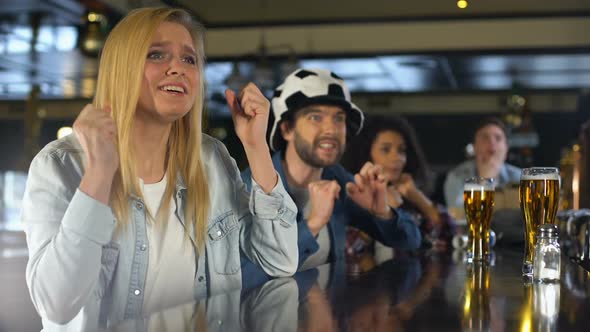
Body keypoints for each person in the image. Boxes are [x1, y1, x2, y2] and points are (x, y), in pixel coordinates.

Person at [21, 7, 298, 328]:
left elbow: (280, 261)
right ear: (122, 68)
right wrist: (98, 175)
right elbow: (55, 305)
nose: (177, 69)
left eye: (189, 59)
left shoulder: (212, 158)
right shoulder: (59, 165)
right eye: (156, 55)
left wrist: (256, 148)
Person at [241, 68, 421, 272]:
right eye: (315, 118)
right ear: (287, 129)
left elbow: (410, 240)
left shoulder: (339, 181)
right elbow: (244, 275)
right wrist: (313, 225)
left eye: (338, 118)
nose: (331, 129)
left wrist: (382, 212)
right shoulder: (247, 188)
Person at [341, 115, 456, 252]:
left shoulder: (407, 197)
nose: (397, 158)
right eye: (386, 150)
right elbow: (349, 249)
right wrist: (384, 212)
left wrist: (417, 197)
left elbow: (448, 241)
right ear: (366, 154)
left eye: (401, 150)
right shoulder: (351, 194)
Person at [444, 117, 521, 212]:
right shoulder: (457, 176)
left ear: (506, 149)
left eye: (498, 138)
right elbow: (458, 214)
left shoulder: (520, 177)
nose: (492, 143)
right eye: (485, 137)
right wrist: (485, 180)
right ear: (474, 147)